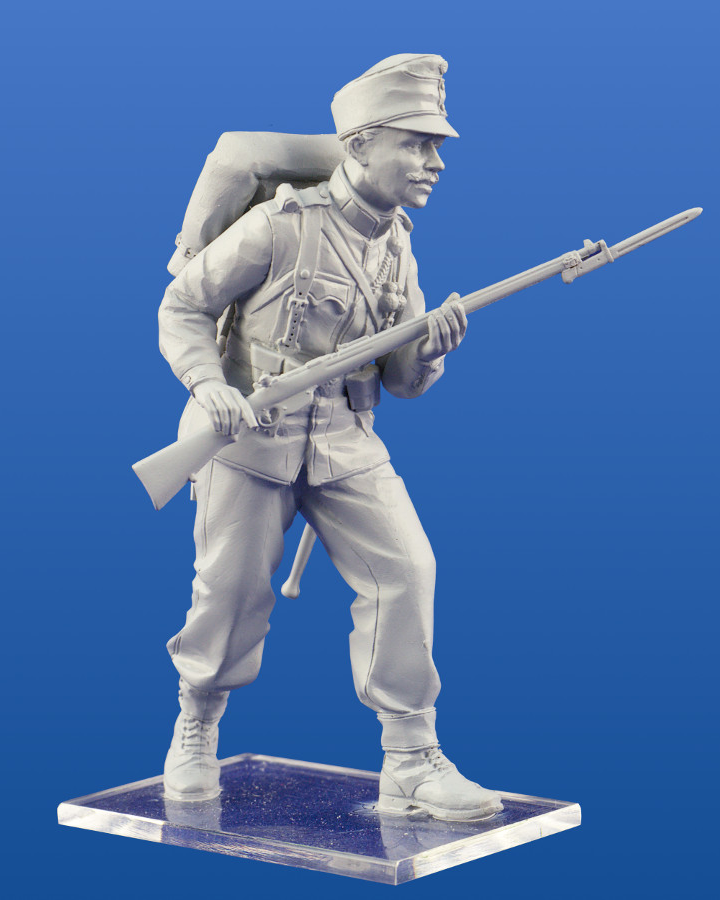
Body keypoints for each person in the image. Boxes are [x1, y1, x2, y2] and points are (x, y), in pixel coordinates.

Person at [157, 54, 502, 821]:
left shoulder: (396, 244)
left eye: (436, 146)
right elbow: (182, 307)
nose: (435, 162)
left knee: (407, 569)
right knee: (231, 594)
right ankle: (197, 725)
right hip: (249, 439)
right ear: (360, 145)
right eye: (417, 143)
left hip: (345, 438)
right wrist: (209, 385)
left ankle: (411, 758)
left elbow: (402, 380)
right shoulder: (279, 227)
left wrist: (432, 346)